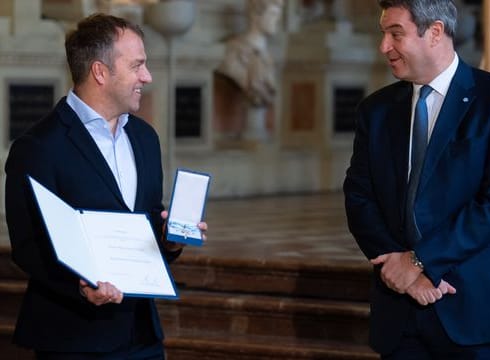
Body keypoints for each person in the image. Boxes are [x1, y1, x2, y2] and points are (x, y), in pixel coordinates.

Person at [343, 0, 490, 358]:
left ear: (434, 32)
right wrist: (400, 269)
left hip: (480, 311)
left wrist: (419, 262)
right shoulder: (376, 110)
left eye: (395, 34)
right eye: (383, 34)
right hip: (401, 315)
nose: (384, 47)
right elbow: (359, 196)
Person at [4, 13, 207, 359]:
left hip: (142, 336)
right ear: (100, 72)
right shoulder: (38, 147)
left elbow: (144, 222)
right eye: (137, 66)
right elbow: (27, 245)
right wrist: (80, 288)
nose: (147, 76)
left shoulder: (145, 138)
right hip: (73, 338)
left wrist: (170, 240)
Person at [216, 0, 284, 107]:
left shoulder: (267, 57)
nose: (278, 20)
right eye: (273, 14)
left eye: (279, 15)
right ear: (256, 16)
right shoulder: (234, 51)